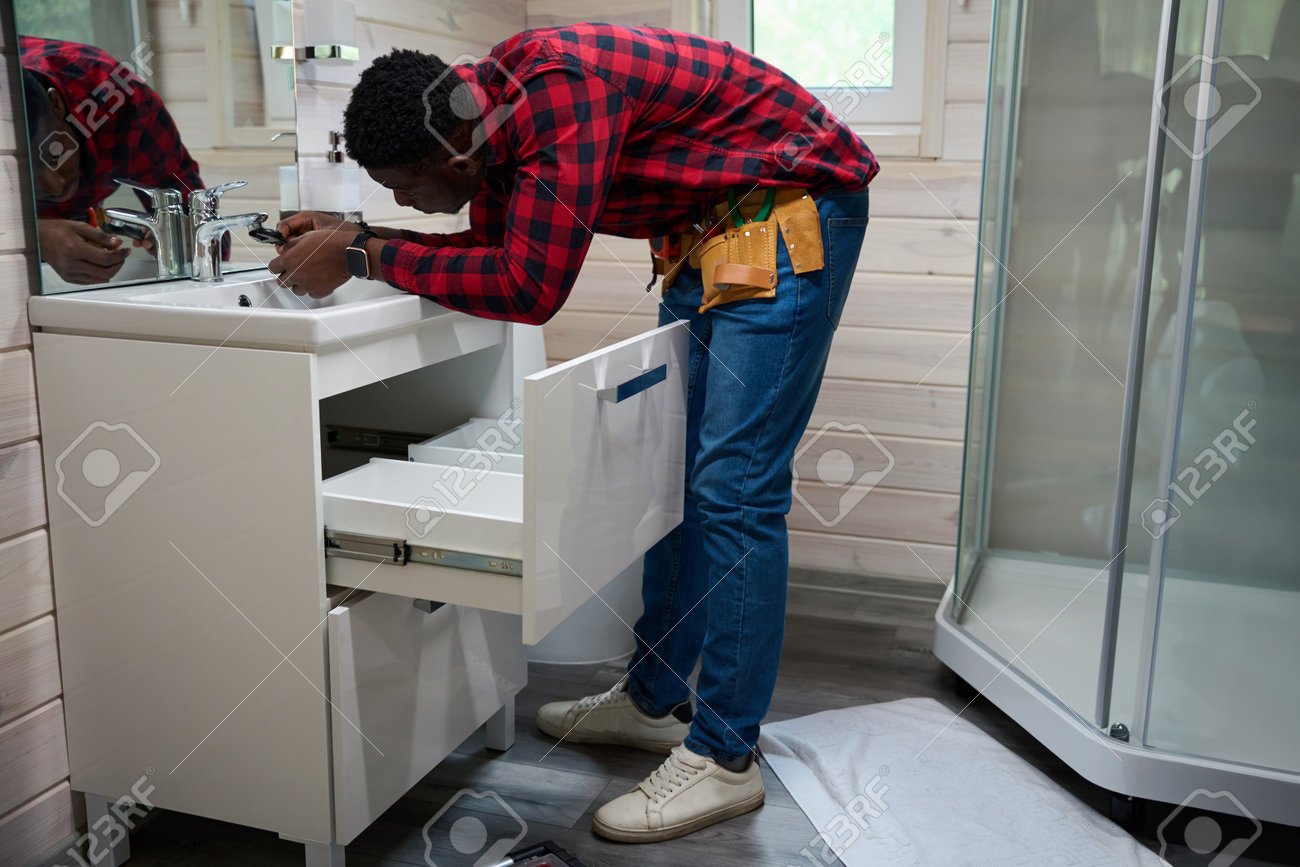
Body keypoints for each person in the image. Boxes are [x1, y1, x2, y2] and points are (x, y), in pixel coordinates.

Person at [269, 23, 877, 843]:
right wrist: (359, 243)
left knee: (736, 488)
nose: (401, 203)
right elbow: (494, 249)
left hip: (792, 208)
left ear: (454, 159)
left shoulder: (558, 92)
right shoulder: (484, 122)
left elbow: (528, 285)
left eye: (401, 187)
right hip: (707, 230)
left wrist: (366, 255)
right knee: (683, 477)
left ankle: (726, 757)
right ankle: (654, 699)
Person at [20, 36, 206, 284]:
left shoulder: (121, 100)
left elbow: (192, 208)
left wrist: (189, 235)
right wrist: (33, 236)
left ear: (56, 104)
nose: (56, 185)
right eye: (25, 177)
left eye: (55, 154)